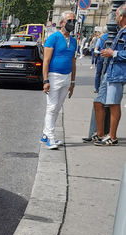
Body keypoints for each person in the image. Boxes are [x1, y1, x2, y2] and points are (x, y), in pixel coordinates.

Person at [40, 11, 77, 150]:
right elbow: (46, 61)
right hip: (54, 76)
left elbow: (73, 62)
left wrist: (72, 82)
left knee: (57, 107)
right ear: (62, 23)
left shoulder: (73, 41)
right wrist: (45, 80)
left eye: (74, 20)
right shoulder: (53, 38)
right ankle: (50, 138)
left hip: (67, 77)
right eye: (69, 21)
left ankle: (45, 134)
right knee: (52, 107)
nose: (72, 23)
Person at [93, 4, 126, 146]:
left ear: (122, 17)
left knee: (113, 103)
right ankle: (101, 134)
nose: (115, 18)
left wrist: (113, 53)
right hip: (111, 71)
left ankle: (112, 137)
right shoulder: (121, 31)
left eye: (116, 15)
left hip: (118, 73)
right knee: (98, 102)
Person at [94, 27, 109, 92]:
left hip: (101, 56)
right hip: (108, 56)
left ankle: (97, 88)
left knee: (98, 73)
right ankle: (104, 88)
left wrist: (98, 53)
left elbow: (96, 49)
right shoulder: (113, 37)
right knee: (106, 73)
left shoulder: (101, 38)